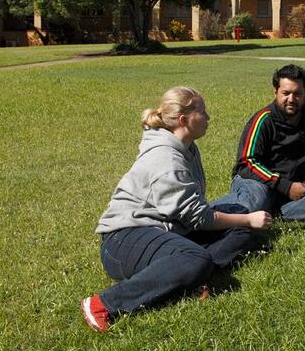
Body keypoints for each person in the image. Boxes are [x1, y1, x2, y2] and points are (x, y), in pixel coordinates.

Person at [81, 87, 272, 333]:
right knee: (202, 254)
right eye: (202, 111)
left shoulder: (187, 147)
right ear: (184, 119)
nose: (208, 117)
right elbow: (201, 218)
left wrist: (244, 223)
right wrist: (248, 218)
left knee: (241, 233)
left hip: (168, 230)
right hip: (123, 241)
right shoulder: (166, 160)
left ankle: (187, 276)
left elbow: (194, 214)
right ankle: (103, 304)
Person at [212, 64, 305, 220]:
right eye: (286, 93)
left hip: (291, 186)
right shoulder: (263, 120)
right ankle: (207, 215)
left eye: (297, 94)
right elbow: (246, 163)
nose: (291, 99)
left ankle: (269, 213)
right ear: (275, 92)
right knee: (254, 201)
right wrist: (285, 186)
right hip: (258, 182)